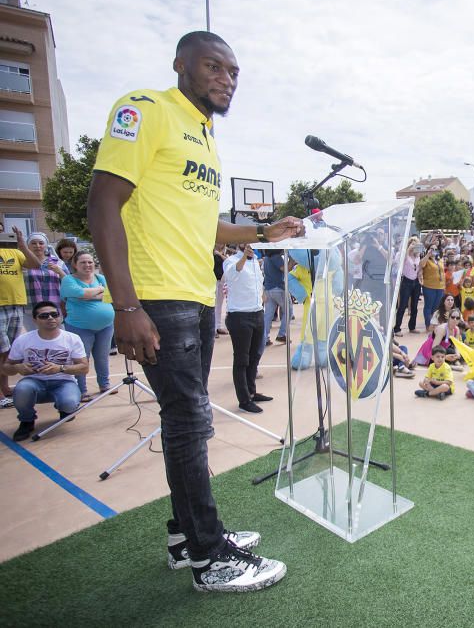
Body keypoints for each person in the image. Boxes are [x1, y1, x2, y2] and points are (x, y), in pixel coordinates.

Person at [88, 31, 302, 592]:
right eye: (214, 67)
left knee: (187, 423)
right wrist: (126, 304)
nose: (226, 79)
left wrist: (263, 229)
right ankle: (212, 559)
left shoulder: (204, 135)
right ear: (181, 64)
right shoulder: (147, 109)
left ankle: (187, 538)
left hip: (196, 294)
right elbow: (103, 202)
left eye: (233, 72)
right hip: (156, 296)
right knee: (189, 422)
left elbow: (205, 228)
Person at [3, 301, 88, 441]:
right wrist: (17, 368)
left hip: (63, 381)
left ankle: (64, 409)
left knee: (69, 403)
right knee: (22, 389)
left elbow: (84, 368)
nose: (50, 318)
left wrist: (60, 368)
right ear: (35, 320)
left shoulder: (72, 338)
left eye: (54, 314)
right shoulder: (23, 340)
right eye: (44, 316)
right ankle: (27, 421)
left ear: (60, 317)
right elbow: (6, 368)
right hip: (34, 381)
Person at [60, 252, 115, 400]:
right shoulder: (68, 279)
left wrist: (87, 295)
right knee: (80, 359)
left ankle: (104, 384)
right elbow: (77, 292)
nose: (87, 265)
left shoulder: (100, 278)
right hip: (79, 327)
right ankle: (81, 390)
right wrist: (98, 291)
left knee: (102, 357)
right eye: (83, 262)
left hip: (106, 326)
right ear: (75, 265)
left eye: (90, 262)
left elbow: (111, 294)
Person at [223, 245, 270, 413]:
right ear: (239, 246)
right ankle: (244, 400)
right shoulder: (231, 261)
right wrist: (244, 257)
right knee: (242, 360)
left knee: (255, 355)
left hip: (257, 312)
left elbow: (258, 283)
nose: (250, 247)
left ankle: (251, 391)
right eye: (245, 243)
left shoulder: (255, 263)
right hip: (239, 316)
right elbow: (232, 274)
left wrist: (263, 294)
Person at [0, 226, 42, 406]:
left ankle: (5, 387)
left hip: (16, 303)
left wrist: (22, 245)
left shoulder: (15, 251)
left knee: (8, 352)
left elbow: (36, 265)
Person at [22, 232, 66, 333]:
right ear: (28, 245)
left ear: (45, 245)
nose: (37, 246)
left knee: (57, 336)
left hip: (54, 307)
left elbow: (69, 282)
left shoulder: (57, 262)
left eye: (41, 243)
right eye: (33, 243)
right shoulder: (23, 262)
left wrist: (60, 271)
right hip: (31, 307)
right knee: (33, 337)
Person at [393, 238, 422, 335]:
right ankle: (397, 328)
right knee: (402, 306)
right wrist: (408, 249)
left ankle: (412, 327)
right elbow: (401, 261)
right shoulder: (403, 254)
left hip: (416, 282)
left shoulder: (417, 256)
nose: (414, 246)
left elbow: (419, 267)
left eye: (416, 244)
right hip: (406, 281)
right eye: (413, 244)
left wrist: (420, 275)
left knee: (414, 306)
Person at [260, 249, 287, 347]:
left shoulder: (266, 258)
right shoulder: (276, 257)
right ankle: (282, 334)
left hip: (268, 288)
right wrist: (292, 261)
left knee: (268, 315)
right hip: (278, 288)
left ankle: (264, 338)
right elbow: (285, 269)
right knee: (288, 311)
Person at [420, 234, 446, 332]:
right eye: (432, 249)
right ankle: (428, 325)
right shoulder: (426, 259)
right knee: (428, 306)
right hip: (429, 286)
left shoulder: (440, 260)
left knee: (436, 307)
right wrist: (428, 255)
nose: (433, 250)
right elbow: (421, 265)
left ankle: (434, 324)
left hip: (440, 287)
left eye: (435, 249)